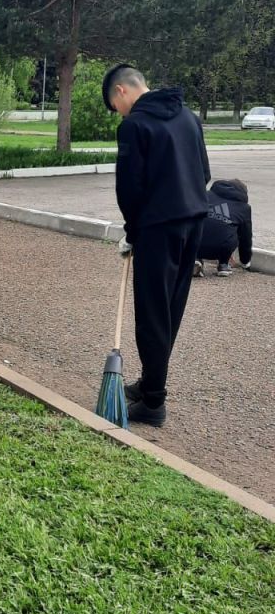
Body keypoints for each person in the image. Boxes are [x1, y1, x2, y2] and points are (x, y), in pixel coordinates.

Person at [102, 64, 210, 427]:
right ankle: (151, 381)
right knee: (170, 310)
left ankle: (153, 402)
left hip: (157, 229)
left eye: (115, 105)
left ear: (121, 91)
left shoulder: (134, 126)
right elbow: (204, 173)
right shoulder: (189, 118)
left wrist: (133, 231)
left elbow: (129, 189)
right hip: (194, 224)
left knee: (151, 314)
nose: (119, 113)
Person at [194, 179, 253, 277]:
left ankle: (196, 259)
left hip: (196, 243)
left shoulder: (205, 195)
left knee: (200, 224)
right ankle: (223, 264)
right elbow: (246, 237)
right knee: (235, 231)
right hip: (223, 247)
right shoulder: (244, 208)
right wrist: (245, 262)